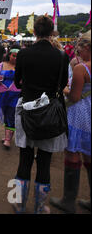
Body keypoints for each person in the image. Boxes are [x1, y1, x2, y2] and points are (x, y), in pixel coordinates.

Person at [11, 15, 69, 214]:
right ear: (52, 32)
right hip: (50, 112)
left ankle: (18, 204)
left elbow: (18, 82)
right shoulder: (61, 56)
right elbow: (61, 86)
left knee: (23, 159)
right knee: (44, 161)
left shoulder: (24, 54)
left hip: (27, 108)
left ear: (34, 32)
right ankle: (40, 207)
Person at [50, 30, 91, 213]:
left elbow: (74, 96)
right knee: (89, 156)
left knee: (72, 154)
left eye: (80, 49)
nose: (78, 52)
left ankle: (68, 200)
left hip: (80, 115)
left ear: (87, 48)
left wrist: (65, 89)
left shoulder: (81, 68)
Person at [0, 45, 21, 149]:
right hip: (3, 95)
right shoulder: (1, 65)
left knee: (11, 115)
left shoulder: (22, 67)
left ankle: (8, 139)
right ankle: (7, 135)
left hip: (16, 95)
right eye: (13, 55)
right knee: (6, 114)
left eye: (18, 56)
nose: (15, 58)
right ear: (9, 55)